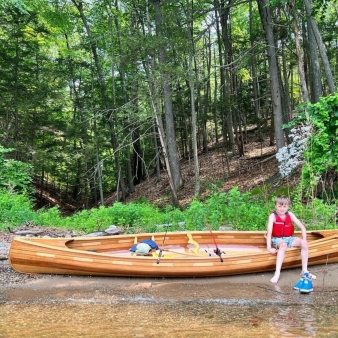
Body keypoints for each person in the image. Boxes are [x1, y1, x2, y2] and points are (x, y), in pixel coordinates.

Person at [266, 195, 313, 292]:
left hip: (289, 238)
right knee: (283, 245)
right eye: (280, 206)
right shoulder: (273, 216)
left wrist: (304, 240)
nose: (282, 208)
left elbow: (302, 228)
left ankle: (304, 271)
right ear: (276, 206)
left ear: (288, 206)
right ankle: (277, 273)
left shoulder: (290, 215)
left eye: (284, 206)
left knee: (304, 243)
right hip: (277, 239)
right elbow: (269, 233)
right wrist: (269, 247)